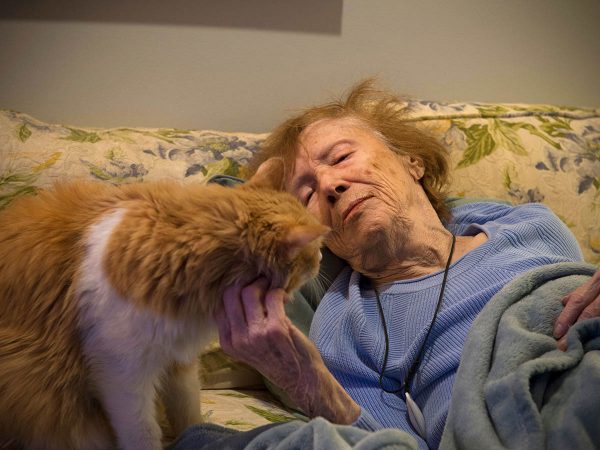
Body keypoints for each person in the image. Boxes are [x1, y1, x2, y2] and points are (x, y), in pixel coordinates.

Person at [214, 80, 600, 449]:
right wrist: (302, 382)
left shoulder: (532, 225)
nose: (331, 185)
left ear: (411, 161)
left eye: (342, 157)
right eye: (307, 192)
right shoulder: (346, 326)